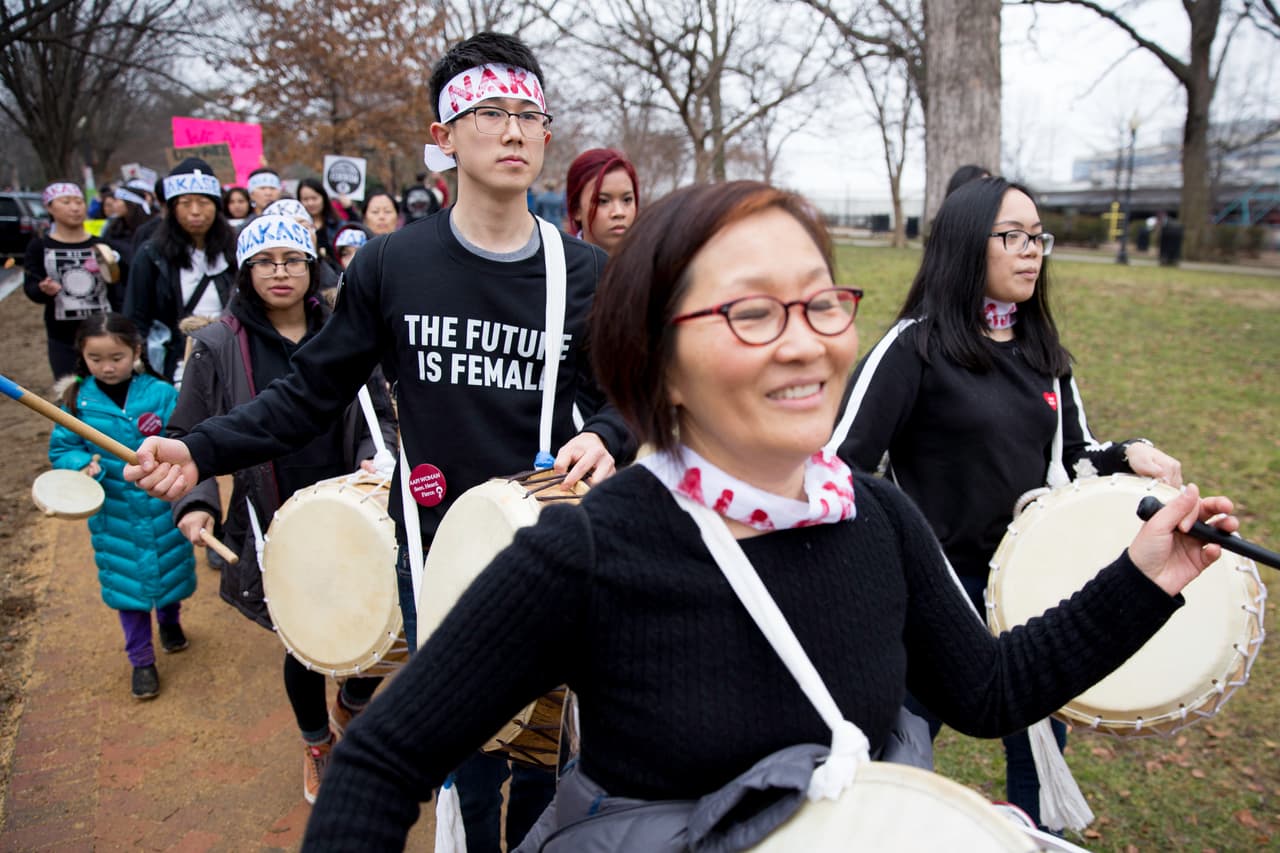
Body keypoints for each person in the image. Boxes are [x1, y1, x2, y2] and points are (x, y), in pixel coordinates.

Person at [289, 179, 1236, 850]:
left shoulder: (877, 517)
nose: (807, 344)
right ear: (657, 357)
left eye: (822, 303)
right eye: (751, 312)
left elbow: (989, 690)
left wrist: (1145, 575)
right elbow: (382, 761)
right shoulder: (587, 551)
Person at [125, 31, 633, 850]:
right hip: (432, 555)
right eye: (490, 112)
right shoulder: (390, 265)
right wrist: (200, 448)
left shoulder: (583, 273)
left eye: (529, 114)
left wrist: (608, 433)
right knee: (469, 760)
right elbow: (308, 394)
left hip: (550, 549)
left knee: (546, 764)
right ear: (443, 137)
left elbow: (628, 399)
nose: (513, 130)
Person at [830, 176, 1185, 828]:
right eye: (1012, 236)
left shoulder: (1043, 351)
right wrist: (890, 558)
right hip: (937, 591)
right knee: (897, 744)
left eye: (1037, 237)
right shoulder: (914, 347)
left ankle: (1035, 834)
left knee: (1039, 743)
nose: (1030, 251)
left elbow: (1072, 454)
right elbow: (838, 466)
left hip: (1031, 587)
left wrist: (1126, 453)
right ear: (969, 243)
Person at [167, 214, 397, 804]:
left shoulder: (348, 329)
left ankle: (353, 702)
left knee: (379, 625)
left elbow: (378, 413)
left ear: (312, 267)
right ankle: (317, 744)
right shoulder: (218, 344)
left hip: (353, 511)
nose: (280, 272)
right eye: (264, 262)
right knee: (306, 642)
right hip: (272, 521)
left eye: (293, 260)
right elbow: (188, 432)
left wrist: (376, 458)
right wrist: (196, 502)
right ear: (245, 272)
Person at [48, 313, 196, 700]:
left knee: (172, 570)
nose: (107, 367)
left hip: (161, 504)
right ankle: (141, 659)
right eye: (96, 359)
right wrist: (81, 464)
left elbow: (182, 436)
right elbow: (63, 449)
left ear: (136, 351)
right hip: (113, 513)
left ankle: (170, 621)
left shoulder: (160, 394)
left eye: (116, 357)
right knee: (127, 587)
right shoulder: (76, 402)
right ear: (82, 356)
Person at [124, 158, 237, 382]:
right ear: (172, 208)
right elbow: (136, 318)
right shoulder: (151, 256)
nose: (195, 211)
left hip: (231, 359)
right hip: (175, 365)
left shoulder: (235, 251)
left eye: (203, 202)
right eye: (185, 203)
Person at [24, 182, 122, 378]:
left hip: (105, 333)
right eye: (66, 202)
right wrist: (43, 290)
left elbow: (119, 286)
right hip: (63, 338)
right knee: (70, 390)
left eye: (79, 201)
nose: (75, 208)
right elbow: (31, 286)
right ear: (49, 207)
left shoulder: (102, 245)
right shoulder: (40, 246)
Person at [565, 148, 639, 253]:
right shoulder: (556, 261)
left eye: (627, 200)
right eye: (603, 201)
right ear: (576, 209)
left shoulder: (651, 260)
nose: (619, 212)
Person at [297, 177, 344, 268]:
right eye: (305, 199)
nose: (310, 203)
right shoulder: (297, 227)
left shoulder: (338, 225)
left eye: (314, 198)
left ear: (323, 198)